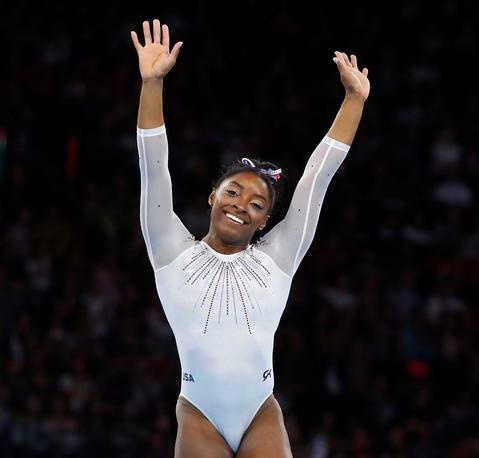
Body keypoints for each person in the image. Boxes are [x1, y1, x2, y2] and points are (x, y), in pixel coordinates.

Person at [130, 18, 370, 457]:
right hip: (199, 414)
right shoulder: (169, 249)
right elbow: (153, 167)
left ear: (264, 223)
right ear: (211, 197)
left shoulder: (277, 257)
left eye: (257, 204)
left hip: (260, 411)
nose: (242, 205)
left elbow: (318, 178)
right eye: (233, 192)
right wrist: (152, 84)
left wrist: (354, 99)